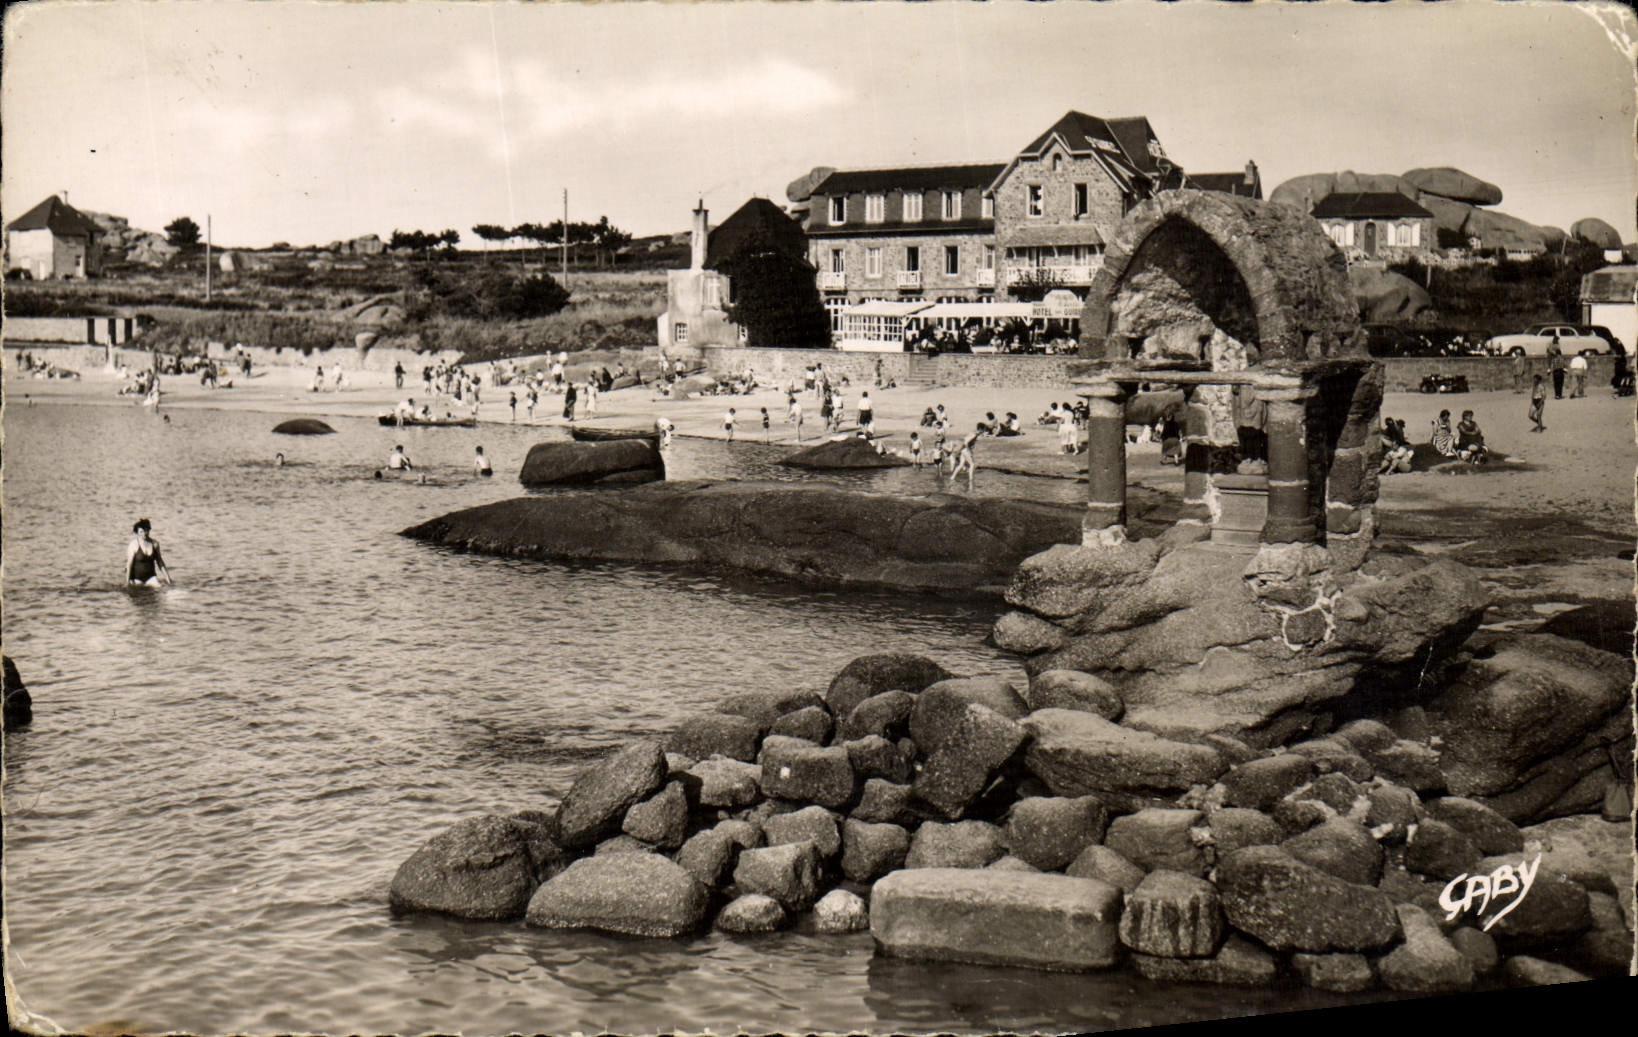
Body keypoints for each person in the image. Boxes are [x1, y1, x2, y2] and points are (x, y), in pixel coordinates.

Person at [126, 518, 172, 586]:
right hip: (136, 578)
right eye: (141, 532)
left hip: (151, 577)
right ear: (137, 533)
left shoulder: (154, 544)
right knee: (138, 593)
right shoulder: (133, 545)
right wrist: (127, 582)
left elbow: (160, 562)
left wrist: (168, 579)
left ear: (149, 530)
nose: (144, 534)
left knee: (160, 588)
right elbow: (129, 565)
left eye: (146, 531)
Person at [948, 425, 980, 490]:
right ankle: (971, 480)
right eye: (983, 430)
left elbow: (964, 440)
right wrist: (969, 450)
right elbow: (966, 442)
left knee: (961, 464)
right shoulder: (974, 434)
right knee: (972, 464)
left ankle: (952, 477)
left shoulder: (973, 433)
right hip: (965, 450)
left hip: (963, 449)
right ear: (981, 429)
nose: (984, 432)